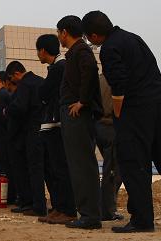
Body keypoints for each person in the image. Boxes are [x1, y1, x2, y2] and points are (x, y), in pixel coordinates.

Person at [82, 10, 161, 233]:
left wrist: (118, 115)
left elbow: (119, 85)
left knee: (134, 164)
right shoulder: (134, 38)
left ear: (94, 35)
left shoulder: (109, 48)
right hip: (159, 103)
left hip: (136, 108)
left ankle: (142, 220)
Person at [57, 15, 103, 229]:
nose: (59, 37)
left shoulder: (81, 50)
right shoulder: (76, 52)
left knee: (82, 165)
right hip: (72, 115)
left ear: (64, 32)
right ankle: (88, 213)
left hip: (77, 116)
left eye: (59, 32)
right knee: (78, 165)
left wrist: (82, 102)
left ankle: (90, 215)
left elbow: (91, 72)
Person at [35, 34, 77, 224]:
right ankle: (59, 208)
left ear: (43, 50)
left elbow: (43, 93)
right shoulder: (56, 67)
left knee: (60, 169)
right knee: (54, 169)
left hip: (56, 124)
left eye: (38, 50)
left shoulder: (59, 68)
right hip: (51, 124)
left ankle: (66, 209)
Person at [6, 61, 46, 217]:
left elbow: (21, 107)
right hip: (44, 128)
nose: (12, 82)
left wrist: (8, 110)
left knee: (33, 169)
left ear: (16, 74)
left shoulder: (25, 84)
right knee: (44, 170)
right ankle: (43, 204)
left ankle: (37, 206)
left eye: (11, 78)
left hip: (31, 131)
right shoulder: (40, 81)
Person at [95, 74, 123, 222]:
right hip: (111, 126)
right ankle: (107, 210)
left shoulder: (99, 79)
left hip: (98, 126)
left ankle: (105, 208)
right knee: (113, 172)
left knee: (109, 170)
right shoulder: (116, 79)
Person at [0, 71, 16, 204]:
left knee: (4, 167)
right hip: (4, 135)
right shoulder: (5, 94)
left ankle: (8, 196)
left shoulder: (1, 95)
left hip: (1, 136)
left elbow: (1, 117)